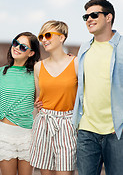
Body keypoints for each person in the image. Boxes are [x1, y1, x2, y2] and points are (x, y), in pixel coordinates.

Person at [72, 0, 123, 175]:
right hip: (87, 131)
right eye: (85, 16)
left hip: (118, 131)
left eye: (94, 15)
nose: (89, 19)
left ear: (108, 17)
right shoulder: (84, 48)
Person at [29, 20, 78, 175]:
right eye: (41, 36)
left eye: (48, 35)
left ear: (62, 37)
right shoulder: (38, 67)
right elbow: (39, 99)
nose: (44, 39)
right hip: (44, 123)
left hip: (67, 124)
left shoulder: (76, 63)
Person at [0, 32, 40, 175]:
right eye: (15, 43)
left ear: (31, 53)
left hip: (27, 135)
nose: (17, 48)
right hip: (4, 134)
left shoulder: (36, 74)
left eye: (23, 47)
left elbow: (40, 99)